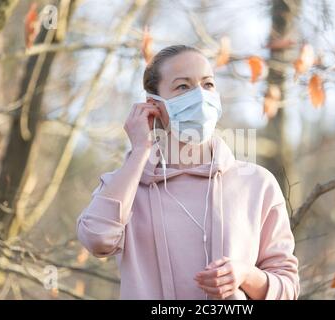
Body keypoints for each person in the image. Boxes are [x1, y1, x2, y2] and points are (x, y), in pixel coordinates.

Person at [76, 44, 299, 300]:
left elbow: (288, 288)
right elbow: (97, 239)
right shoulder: (127, 186)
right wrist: (140, 151)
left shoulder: (257, 184)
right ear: (154, 105)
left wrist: (246, 274)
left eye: (208, 84)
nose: (201, 96)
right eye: (183, 86)